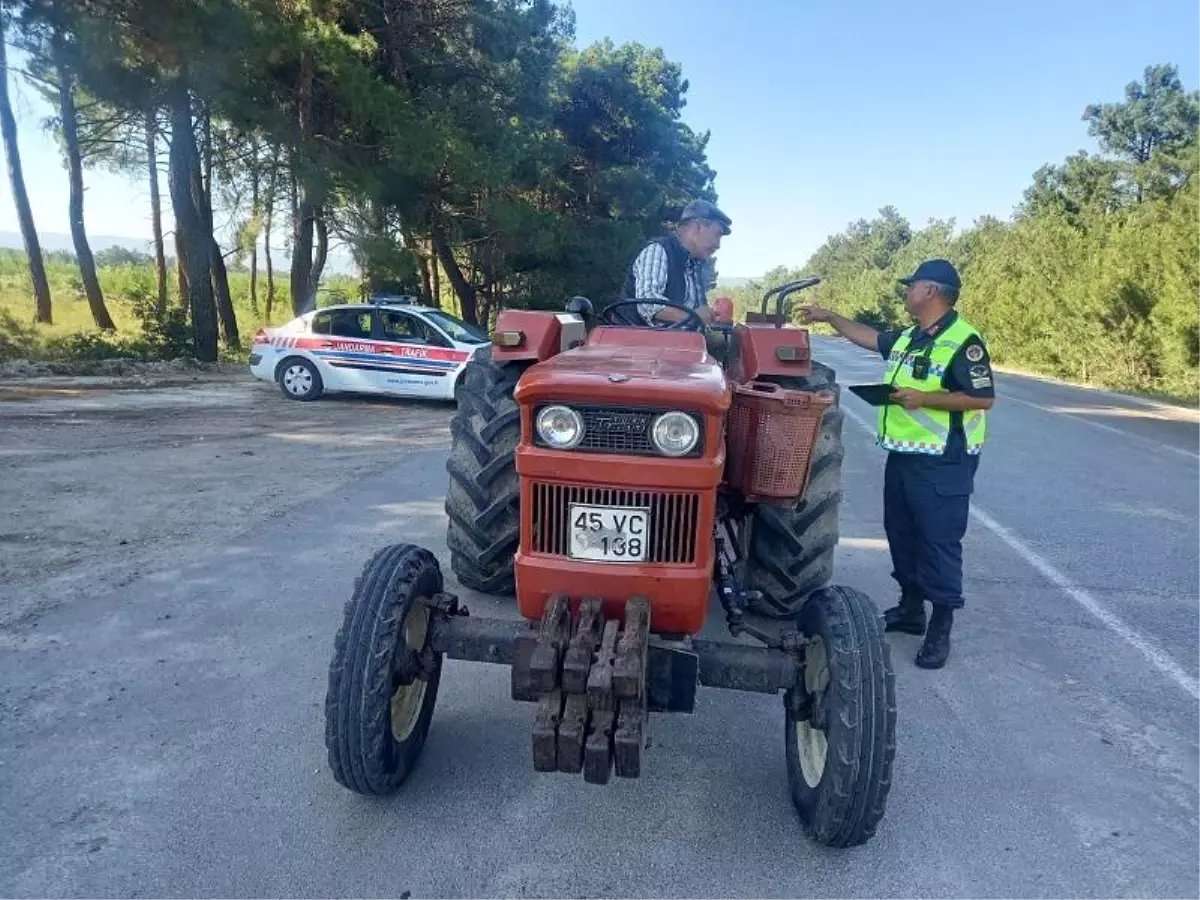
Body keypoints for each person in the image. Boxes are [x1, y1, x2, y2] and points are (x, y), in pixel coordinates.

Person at [799, 259, 995, 669]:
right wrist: (830, 316)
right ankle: (910, 609)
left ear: (931, 291)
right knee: (902, 534)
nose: (907, 292)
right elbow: (869, 338)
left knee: (937, 540)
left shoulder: (964, 341)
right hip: (906, 455)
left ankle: (940, 626)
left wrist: (925, 399)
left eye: (913, 286)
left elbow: (982, 398)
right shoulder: (912, 336)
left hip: (944, 460)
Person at [620, 199, 731, 327]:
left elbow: (697, 318)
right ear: (698, 227)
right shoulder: (658, 250)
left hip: (674, 344)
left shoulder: (694, 267)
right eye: (717, 235)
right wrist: (694, 316)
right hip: (635, 341)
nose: (718, 245)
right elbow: (648, 304)